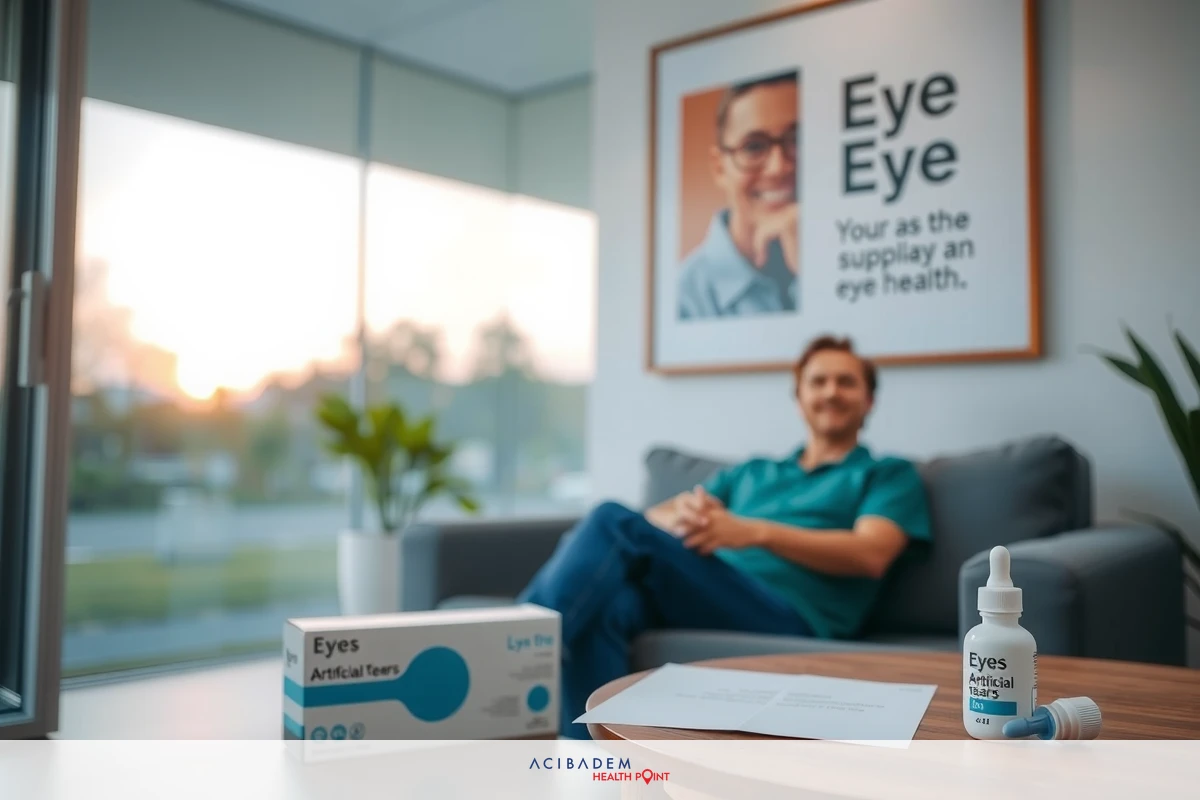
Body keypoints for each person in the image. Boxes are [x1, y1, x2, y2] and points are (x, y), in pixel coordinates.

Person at [518, 336, 931, 738]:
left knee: (610, 517)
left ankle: (514, 651)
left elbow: (871, 553)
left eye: (846, 381)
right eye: (818, 381)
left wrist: (753, 531)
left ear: (869, 401)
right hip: (706, 589)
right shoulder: (753, 472)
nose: (831, 391)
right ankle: (597, 776)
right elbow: (655, 518)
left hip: (790, 614)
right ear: (799, 397)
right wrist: (688, 513)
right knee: (611, 607)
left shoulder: (887, 473)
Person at [678, 70, 801, 320]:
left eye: (797, 140)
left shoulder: (845, 271)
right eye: (754, 146)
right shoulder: (681, 299)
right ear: (719, 167)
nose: (779, 166)